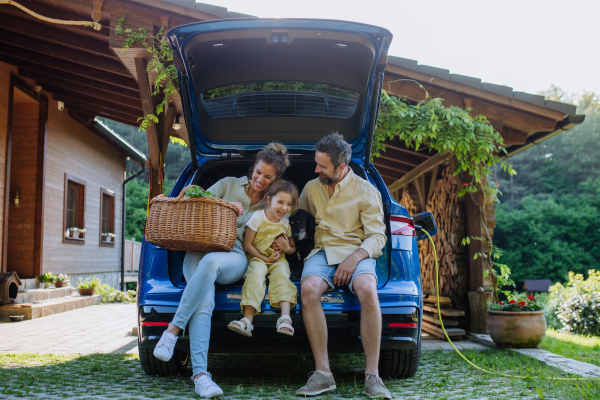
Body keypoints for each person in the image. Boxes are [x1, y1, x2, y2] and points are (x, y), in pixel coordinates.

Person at [152, 143, 290, 399]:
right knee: (204, 301)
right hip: (198, 248)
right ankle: (201, 377)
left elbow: (276, 232)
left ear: (276, 178)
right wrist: (208, 200)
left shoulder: (272, 205)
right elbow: (197, 200)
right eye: (258, 172)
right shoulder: (228, 184)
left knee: (211, 264)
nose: (260, 179)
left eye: (268, 176)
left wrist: (278, 249)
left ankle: (172, 331)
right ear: (254, 168)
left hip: (235, 256)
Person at [295, 133, 392, 399]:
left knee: (368, 291)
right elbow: (298, 221)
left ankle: (373, 377)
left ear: (340, 167)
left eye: (321, 166)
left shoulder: (366, 191)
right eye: (317, 163)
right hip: (322, 251)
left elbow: (377, 236)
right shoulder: (311, 188)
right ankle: (323, 374)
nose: (316, 170)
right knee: (308, 289)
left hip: (356, 253)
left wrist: (355, 257)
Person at [228, 180, 299, 337]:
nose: (284, 208)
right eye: (280, 202)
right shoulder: (258, 217)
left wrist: (287, 248)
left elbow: (292, 249)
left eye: (289, 204)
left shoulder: (286, 222)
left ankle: (285, 318)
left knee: (282, 276)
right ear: (268, 199)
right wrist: (265, 259)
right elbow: (247, 245)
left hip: (278, 259)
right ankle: (247, 320)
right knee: (255, 275)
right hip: (257, 257)